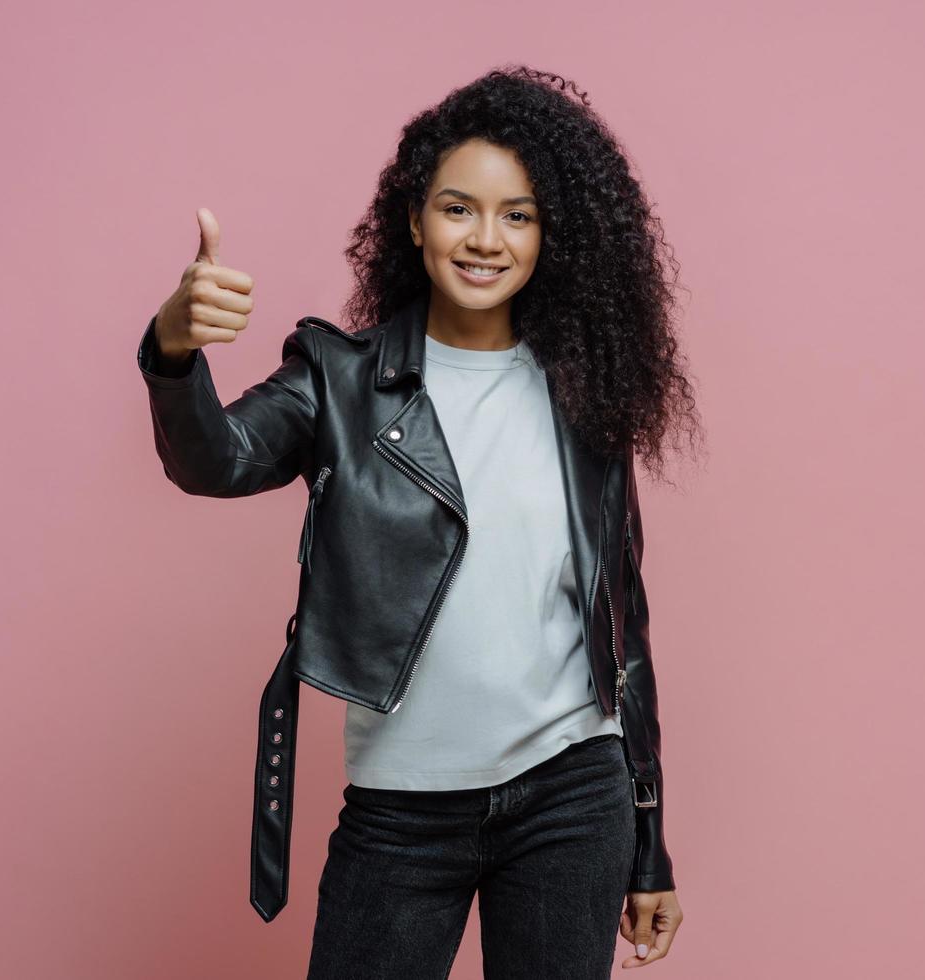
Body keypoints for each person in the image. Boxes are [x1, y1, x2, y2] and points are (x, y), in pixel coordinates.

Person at [135, 65, 702, 978]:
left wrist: (650, 845)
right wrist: (172, 350)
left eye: (518, 214)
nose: (486, 239)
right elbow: (217, 459)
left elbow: (621, 624)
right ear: (414, 220)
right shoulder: (339, 376)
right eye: (458, 208)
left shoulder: (584, 393)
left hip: (571, 796)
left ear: (551, 233)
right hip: (402, 811)